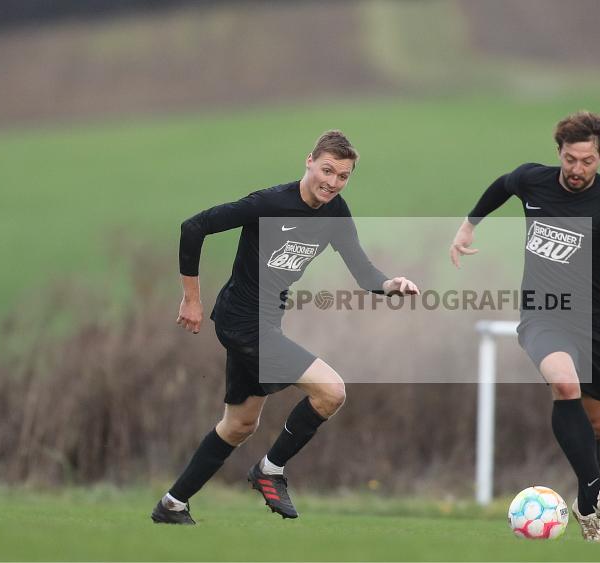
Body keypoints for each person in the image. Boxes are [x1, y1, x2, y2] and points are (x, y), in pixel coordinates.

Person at [152, 130, 419, 525]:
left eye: (342, 176)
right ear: (309, 161)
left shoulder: (335, 213)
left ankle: (172, 505)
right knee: (331, 391)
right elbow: (194, 227)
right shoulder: (270, 202)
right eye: (327, 170)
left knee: (239, 425)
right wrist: (191, 299)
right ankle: (270, 470)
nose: (332, 182)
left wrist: (391, 284)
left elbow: (363, 272)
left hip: (267, 323)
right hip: (241, 322)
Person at [449, 111, 600, 542]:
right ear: (559, 152)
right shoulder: (532, 180)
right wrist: (468, 226)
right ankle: (597, 500)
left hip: (594, 320)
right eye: (570, 159)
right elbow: (502, 186)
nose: (577, 169)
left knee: (597, 424)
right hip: (543, 313)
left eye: (587, 161)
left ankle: (587, 504)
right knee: (564, 384)